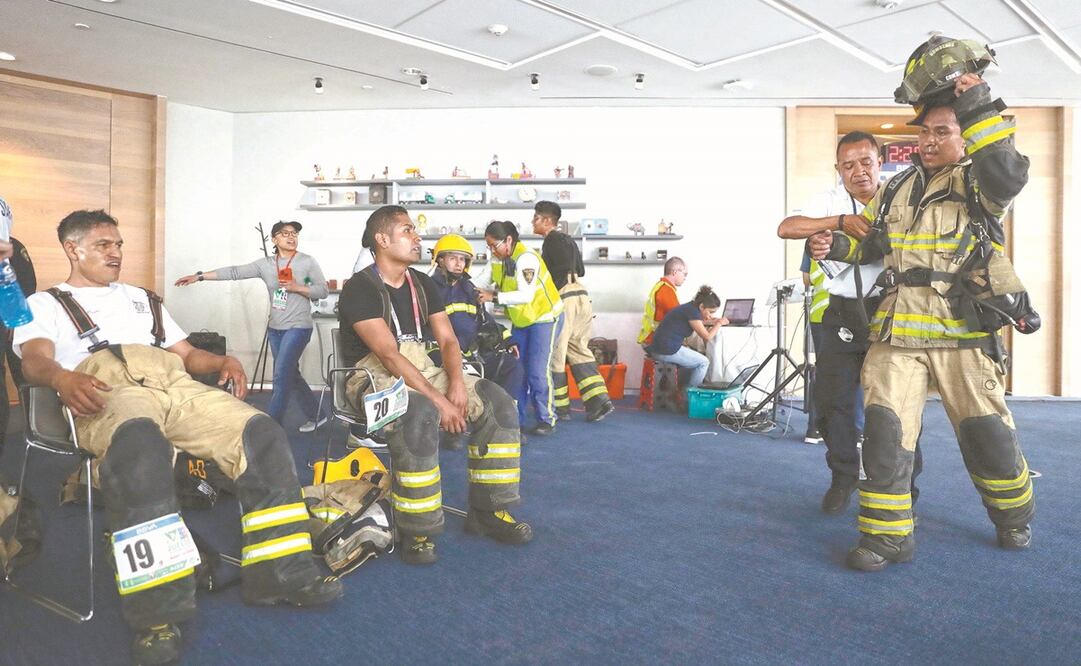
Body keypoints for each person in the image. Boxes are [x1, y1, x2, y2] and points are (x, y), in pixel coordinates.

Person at [14, 210, 341, 664]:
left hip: (176, 387)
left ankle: (280, 574)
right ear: (73, 248)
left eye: (119, 244)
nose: (116, 252)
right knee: (142, 454)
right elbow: (34, 360)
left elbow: (186, 355)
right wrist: (62, 379)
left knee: (261, 433)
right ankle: (156, 615)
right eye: (104, 244)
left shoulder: (142, 299)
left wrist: (222, 362)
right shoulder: (45, 304)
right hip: (107, 387)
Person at [810, 43, 1034, 571]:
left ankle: (1014, 517)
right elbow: (873, 247)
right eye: (923, 132)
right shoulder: (896, 190)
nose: (928, 142)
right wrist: (835, 246)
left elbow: (1007, 172)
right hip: (896, 335)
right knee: (886, 435)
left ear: (965, 135)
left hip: (962, 332)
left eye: (942, 132)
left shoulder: (982, 182)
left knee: (987, 438)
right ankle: (887, 537)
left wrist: (977, 102)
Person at [339, 206, 531, 566]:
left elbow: (447, 341)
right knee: (420, 413)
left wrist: (457, 384)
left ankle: (489, 511)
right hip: (370, 377)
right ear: (382, 240)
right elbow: (388, 355)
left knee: (497, 403)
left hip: (422, 368)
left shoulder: (423, 283)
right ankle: (418, 528)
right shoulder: (360, 289)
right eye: (408, 230)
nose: (418, 238)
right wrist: (439, 401)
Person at [778, 132, 923, 514]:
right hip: (842, 313)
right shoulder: (830, 199)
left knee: (896, 405)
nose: (858, 171)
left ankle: (906, 487)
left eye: (866, 162)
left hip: (891, 311)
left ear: (880, 162)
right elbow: (787, 227)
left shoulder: (901, 195)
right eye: (848, 165)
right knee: (832, 402)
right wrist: (838, 221)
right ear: (838, 169)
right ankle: (843, 477)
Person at [176, 221, 329, 431]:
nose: (291, 237)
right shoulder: (265, 264)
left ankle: (271, 427)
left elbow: (322, 291)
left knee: (281, 374)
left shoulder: (307, 262)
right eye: (285, 233)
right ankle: (317, 414)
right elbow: (235, 272)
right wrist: (200, 276)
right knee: (290, 374)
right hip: (275, 329)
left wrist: (298, 287)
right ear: (274, 239)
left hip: (299, 327)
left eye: (294, 233)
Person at [428, 233, 524, 446]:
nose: (458, 264)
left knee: (512, 367)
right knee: (454, 375)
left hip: (473, 353)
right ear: (440, 259)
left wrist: (508, 340)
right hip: (441, 353)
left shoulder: (469, 289)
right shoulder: (428, 288)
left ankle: (502, 421)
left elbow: (485, 320)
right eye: (453, 258)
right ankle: (453, 428)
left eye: (462, 259)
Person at [475, 221, 564, 435]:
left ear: (508, 240)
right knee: (517, 370)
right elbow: (480, 281)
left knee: (537, 372)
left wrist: (492, 296)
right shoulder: (497, 259)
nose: (492, 250)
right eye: (488, 247)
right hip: (522, 321)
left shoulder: (526, 259)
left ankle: (547, 419)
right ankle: (518, 419)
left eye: (494, 245)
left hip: (544, 318)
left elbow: (525, 295)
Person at [533, 201, 615, 422]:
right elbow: (581, 269)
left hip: (565, 299)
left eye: (536, 218)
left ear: (547, 221)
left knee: (556, 354)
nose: (533, 222)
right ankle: (599, 401)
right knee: (579, 349)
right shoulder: (569, 241)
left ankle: (560, 409)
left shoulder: (551, 241)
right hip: (581, 295)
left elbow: (552, 273)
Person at [0, 196, 36, 456]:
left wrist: (16, 322)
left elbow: (28, 284)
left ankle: (37, 432)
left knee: (25, 375)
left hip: (11, 319)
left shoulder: (15, 246)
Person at [645, 286, 729, 390]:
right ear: (702, 306)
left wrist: (712, 322)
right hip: (666, 351)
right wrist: (719, 323)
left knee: (695, 356)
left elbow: (696, 322)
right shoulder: (692, 312)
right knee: (703, 362)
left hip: (659, 348)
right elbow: (707, 337)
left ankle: (685, 391)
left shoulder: (690, 308)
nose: (710, 315)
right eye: (710, 312)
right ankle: (692, 395)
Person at [636, 256, 686, 346]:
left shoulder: (660, 286)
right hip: (657, 340)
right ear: (675, 272)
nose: (685, 277)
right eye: (684, 274)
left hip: (652, 338)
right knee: (701, 360)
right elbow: (679, 318)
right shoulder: (666, 290)